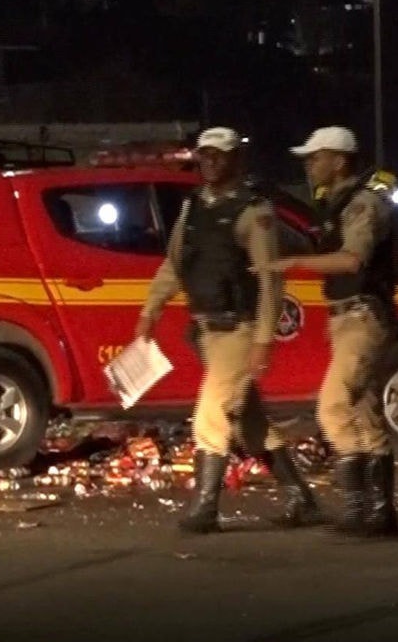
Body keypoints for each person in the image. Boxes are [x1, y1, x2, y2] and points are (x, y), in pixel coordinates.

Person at [134, 127, 316, 533]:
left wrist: (264, 340)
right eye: (205, 155)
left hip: (240, 329)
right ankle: (301, 498)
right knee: (251, 422)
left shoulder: (254, 212)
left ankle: (206, 508)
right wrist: (151, 312)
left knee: (210, 416)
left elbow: (271, 281)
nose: (210, 162)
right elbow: (175, 264)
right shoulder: (193, 207)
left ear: (237, 160)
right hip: (208, 330)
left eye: (219, 155)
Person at [272, 126, 398, 536]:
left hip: (363, 314)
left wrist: (291, 264)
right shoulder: (337, 203)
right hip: (348, 315)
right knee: (364, 411)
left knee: (333, 407)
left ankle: (360, 509)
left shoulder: (362, 204)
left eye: (315, 157)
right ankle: (378, 515)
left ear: (339, 160)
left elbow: (351, 260)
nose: (309, 166)